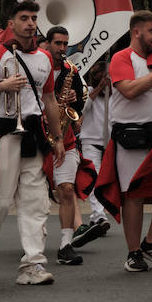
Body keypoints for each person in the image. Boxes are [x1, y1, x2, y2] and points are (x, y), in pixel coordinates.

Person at [0, 0, 65, 286]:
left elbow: (49, 100)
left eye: (34, 18)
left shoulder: (45, 59)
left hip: (34, 134)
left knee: (36, 202)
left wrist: (57, 138)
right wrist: (2, 87)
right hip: (5, 134)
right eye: (24, 18)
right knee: (1, 202)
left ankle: (32, 265)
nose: (31, 23)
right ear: (11, 24)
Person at [94, 10, 152, 272]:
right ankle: (133, 252)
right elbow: (129, 90)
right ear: (136, 32)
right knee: (133, 196)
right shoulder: (122, 58)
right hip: (131, 134)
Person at [47, 25, 95, 266]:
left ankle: (65, 244)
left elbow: (78, 110)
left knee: (66, 189)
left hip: (65, 139)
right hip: (38, 139)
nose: (63, 48)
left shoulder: (72, 72)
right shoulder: (39, 66)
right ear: (47, 44)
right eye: (58, 43)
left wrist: (73, 103)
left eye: (66, 44)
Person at [71, 59, 113, 248]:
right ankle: (99, 216)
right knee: (94, 178)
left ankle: (99, 214)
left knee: (106, 181)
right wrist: (98, 90)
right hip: (90, 141)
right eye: (103, 76)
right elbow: (83, 110)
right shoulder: (87, 90)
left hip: (110, 143)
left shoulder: (114, 94)